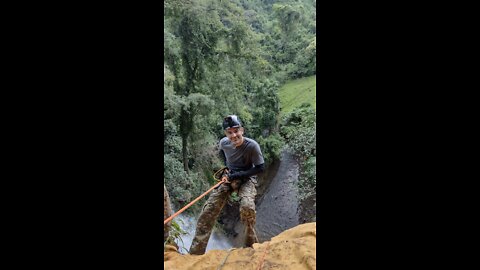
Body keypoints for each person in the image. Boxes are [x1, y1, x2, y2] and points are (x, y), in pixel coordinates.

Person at [189, 115, 265, 255]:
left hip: (247, 178)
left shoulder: (252, 146)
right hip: (229, 177)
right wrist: (228, 170)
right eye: (230, 132)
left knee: (247, 207)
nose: (234, 135)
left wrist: (236, 175)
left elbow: (260, 168)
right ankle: (195, 253)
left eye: (236, 131)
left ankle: (251, 245)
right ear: (226, 134)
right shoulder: (224, 143)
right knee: (208, 210)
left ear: (242, 130)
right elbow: (225, 156)